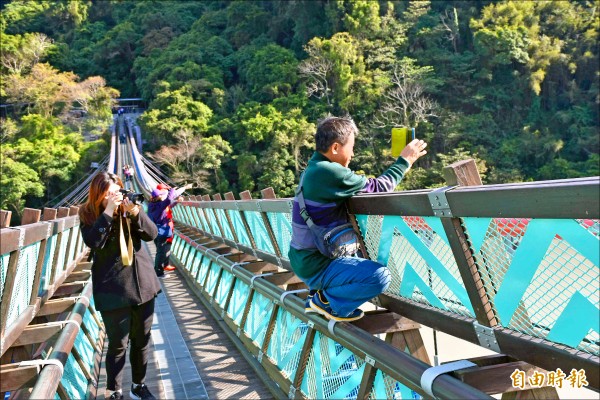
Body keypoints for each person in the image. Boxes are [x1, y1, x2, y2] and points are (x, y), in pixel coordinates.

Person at [288, 116, 428, 322]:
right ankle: (324, 301)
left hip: (305, 259)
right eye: (351, 147)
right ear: (335, 147)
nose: (352, 154)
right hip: (316, 263)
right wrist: (405, 160)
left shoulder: (313, 169)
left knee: (365, 265)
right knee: (379, 276)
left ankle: (324, 296)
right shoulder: (328, 172)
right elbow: (379, 189)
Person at [79, 172, 160, 400]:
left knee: (142, 339)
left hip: (142, 283)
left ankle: (139, 385)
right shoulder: (87, 214)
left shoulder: (130, 207)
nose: (115, 196)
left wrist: (134, 212)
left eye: (117, 190)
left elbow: (151, 234)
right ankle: (114, 391)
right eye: (109, 193)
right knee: (117, 344)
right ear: (99, 194)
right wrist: (107, 211)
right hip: (112, 288)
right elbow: (93, 241)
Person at [148, 182, 193, 277]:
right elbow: (168, 200)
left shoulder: (152, 205)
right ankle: (159, 272)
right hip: (161, 231)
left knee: (160, 251)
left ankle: (162, 267)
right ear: (159, 196)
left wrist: (176, 202)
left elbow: (166, 207)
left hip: (154, 231)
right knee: (160, 252)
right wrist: (172, 190)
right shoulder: (160, 205)